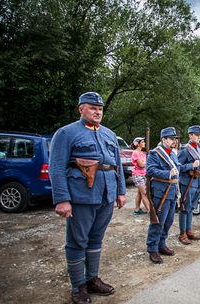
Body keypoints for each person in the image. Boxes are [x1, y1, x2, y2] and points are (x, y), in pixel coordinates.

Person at [50, 92, 126, 304]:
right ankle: (78, 287)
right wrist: (62, 199)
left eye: (100, 109)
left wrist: (121, 191)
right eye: (92, 108)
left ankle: (92, 279)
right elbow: (56, 167)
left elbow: (117, 165)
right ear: (81, 109)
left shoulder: (109, 135)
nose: (97, 112)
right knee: (77, 242)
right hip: (81, 196)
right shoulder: (66, 133)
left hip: (106, 195)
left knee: (95, 239)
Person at [145, 127, 180, 264]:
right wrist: (167, 174)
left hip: (172, 191)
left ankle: (161, 244)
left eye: (175, 139)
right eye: (171, 138)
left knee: (169, 221)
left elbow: (178, 169)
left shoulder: (173, 154)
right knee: (157, 222)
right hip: (161, 192)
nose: (174, 141)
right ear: (164, 139)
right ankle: (152, 249)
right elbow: (150, 170)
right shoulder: (155, 153)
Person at [177, 125, 200, 245]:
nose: (198, 137)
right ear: (190, 135)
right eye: (196, 135)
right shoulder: (184, 149)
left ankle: (189, 230)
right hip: (187, 183)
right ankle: (182, 233)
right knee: (184, 209)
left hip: (197, 182)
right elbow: (178, 167)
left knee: (192, 208)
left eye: (199, 135)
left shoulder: (198, 149)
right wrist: (191, 165)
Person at [131, 137, 150, 215]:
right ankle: (150, 211)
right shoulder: (135, 153)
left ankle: (137, 209)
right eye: (142, 142)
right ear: (138, 144)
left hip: (143, 174)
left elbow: (143, 164)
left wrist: (145, 164)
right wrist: (146, 163)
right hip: (137, 175)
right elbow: (141, 165)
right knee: (144, 193)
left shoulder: (143, 153)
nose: (144, 143)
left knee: (140, 193)